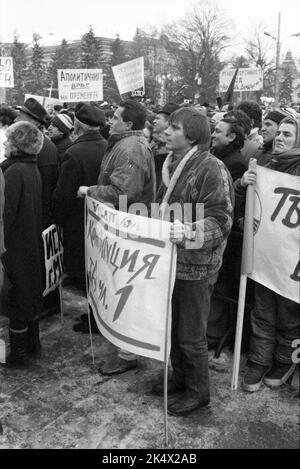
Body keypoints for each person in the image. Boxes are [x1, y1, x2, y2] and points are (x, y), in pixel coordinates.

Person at [152, 107, 234, 416]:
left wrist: (189, 232)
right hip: (171, 259)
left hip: (197, 265)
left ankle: (199, 392)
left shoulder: (212, 168)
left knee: (190, 333)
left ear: (192, 136)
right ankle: (180, 376)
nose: (167, 132)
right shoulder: (172, 163)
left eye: (174, 128)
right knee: (173, 328)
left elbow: (222, 219)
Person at [78, 99, 156, 375]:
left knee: (127, 291)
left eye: (115, 117)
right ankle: (121, 345)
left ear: (129, 123)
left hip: (129, 229)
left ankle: (127, 355)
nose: (110, 120)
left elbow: (123, 192)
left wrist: (90, 191)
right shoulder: (123, 144)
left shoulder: (131, 148)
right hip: (121, 227)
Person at [237, 116, 300, 392]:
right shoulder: (261, 165)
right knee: (262, 313)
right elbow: (247, 207)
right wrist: (243, 184)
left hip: (291, 261)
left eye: (288, 134)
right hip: (265, 255)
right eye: (280, 133)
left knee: (289, 316)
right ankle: (258, 362)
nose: (281, 138)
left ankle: (284, 361)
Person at [1, 121, 44, 367]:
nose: (5, 144)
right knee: (27, 295)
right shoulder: (29, 168)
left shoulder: (14, 172)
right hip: (27, 241)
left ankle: (19, 354)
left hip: (15, 245)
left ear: (19, 145)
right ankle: (32, 344)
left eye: (9, 141)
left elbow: (5, 214)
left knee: (17, 299)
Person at [52, 103, 107, 291]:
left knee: (82, 271)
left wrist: (56, 219)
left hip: (77, 221)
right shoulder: (107, 147)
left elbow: (63, 194)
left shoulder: (74, 152)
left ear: (78, 125)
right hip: (101, 219)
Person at [211, 111, 247, 181]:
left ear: (231, 137)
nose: (212, 135)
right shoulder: (212, 152)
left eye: (217, 131)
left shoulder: (236, 164)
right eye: (213, 131)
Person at [151, 103, 179, 188]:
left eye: (157, 118)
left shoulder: (173, 149)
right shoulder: (154, 142)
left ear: (168, 122)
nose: (154, 121)